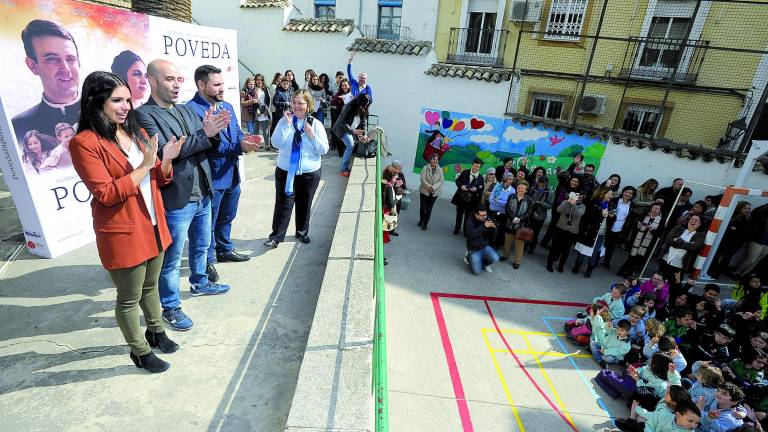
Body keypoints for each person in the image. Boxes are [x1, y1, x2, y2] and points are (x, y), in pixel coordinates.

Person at [69, 71, 184, 373]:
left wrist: (166, 159)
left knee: (151, 286)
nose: (126, 107)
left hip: (154, 222)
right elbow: (106, 193)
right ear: (97, 102)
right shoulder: (84, 142)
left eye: (129, 100)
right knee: (129, 297)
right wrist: (146, 165)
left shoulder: (133, 131)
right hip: (123, 229)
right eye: (117, 100)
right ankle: (139, 351)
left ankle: (156, 331)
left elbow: (158, 175)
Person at [135, 59, 231, 331]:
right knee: (172, 258)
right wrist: (203, 134)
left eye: (179, 79)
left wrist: (211, 134)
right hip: (177, 197)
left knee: (201, 245)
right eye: (169, 79)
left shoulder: (187, 111)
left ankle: (200, 282)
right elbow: (166, 152)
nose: (177, 85)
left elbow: (201, 145)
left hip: (203, 192)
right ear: (152, 81)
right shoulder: (143, 115)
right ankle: (171, 306)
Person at [187, 65, 260, 284]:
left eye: (222, 84)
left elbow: (236, 132)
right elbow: (207, 145)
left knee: (228, 215)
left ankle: (224, 249)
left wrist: (244, 141)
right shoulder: (192, 110)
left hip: (232, 174)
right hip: (212, 177)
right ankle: (207, 261)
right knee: (207, 222)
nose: (221, 89)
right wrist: (241, 148)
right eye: (216, 85)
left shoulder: (227, 105)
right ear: (201, 85)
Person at [264, 89, 329, 248]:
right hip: (285, 171)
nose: (296, 106)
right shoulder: (284, 121)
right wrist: (286, 126)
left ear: (308, 105)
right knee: (283, 204)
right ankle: (276, 236)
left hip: (309, 173)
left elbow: (323, 150)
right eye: (294, 102)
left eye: (300, 103)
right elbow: (276, 143)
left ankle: (301, 232)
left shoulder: (316, 124)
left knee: (304, 204)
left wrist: (312, 135)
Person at [12, 20, 80, 143]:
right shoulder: (17, 129)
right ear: (32, 66)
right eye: (52, 59)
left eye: (70, 59)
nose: (65, 68)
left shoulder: (107, 114)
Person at [659, 215, 706, 300]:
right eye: (692, 219)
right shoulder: (679, 227)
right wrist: (686, 244)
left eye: (696, 221)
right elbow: (669, 239)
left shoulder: (700, 235)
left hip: (678, 265)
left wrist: (678, 240)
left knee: (675, 287)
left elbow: (695, 246)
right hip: (665, 259)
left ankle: (671, 304)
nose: (693, 221)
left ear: (700, 224)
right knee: (659, 282)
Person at [573, 187, 615, 278]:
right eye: (610, 194)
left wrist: (611, 217)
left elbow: (612, 220)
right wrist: (600, 213)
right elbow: (587, 217)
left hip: (601, 234)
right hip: (590, 232)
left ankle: (589, 270)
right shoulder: (593, 203)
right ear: (603, 193)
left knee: (595, 252)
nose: (611, 196)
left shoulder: (610, 205)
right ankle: (577, 266)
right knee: (583, 250)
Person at [618, 202, 663, 278]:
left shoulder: (661, 220)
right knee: (631, 257)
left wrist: (651, 229)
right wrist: (638, 224)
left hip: (648, 243)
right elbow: (636, 223)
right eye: (654, 208)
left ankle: (629, 273)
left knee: (638, 259)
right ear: (651, 208)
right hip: (637, 239)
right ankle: (622, 270)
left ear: (660, 211)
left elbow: (659, 234)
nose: (655, 210)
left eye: (657, 209)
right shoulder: (646, 215)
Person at [709, 201, 751, 278]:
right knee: (718, 256)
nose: (747, 210)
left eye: (748, 208)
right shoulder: (733, 216)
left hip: (737, 242)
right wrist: (730, 228)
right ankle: (711, 270)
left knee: (726, 258)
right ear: (740, 208)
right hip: (726, 240)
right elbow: (725, 226)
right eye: (745, 208)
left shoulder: (747, 218)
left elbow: (745, 230)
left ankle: (717, 272)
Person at [546, 191, 585, 273]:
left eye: (579, 196)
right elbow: (558, 209)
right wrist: (567, 201)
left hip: (571, 231)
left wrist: (573, 204)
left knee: (565, 250)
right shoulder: (565, 202)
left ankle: (561, 265)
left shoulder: (582, 206)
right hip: (560, 228)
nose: (577, 197)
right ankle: (549, 263)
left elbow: (577, 214)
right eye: (576, 195)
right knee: (554, 247)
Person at [541, 173, 582, 248]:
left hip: (568, 215)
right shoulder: (564, 187)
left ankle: (553, 246)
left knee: (559, 230)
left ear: (579, 183)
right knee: (553, 227)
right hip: (558, 211)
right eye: (572, 180)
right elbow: (559, 201)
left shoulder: (579, 192)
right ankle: (545, 243)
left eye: (576, 182)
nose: (573, 182)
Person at [333, 94, 370, 177]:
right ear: (359, 102)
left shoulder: (364, 107)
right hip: (343, 129)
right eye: (364, 104)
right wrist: (353, 131)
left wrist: (363, 134)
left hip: (353, 130)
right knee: (350, 146)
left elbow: (363, 122)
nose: (366, 105)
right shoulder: (348, 106)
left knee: (351, 146)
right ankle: (343, 169)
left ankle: (344, 167)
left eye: (367, 104)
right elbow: (342, 122)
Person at [501, 180, 534, 269]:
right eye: (519, 188)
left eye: (522, 188)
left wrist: (520, 219)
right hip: (510, 223)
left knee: (519, 245)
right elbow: (507, 208)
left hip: (521, 225)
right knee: (507, 242)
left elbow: (529, 212)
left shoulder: (529, 200)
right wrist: (513, 218)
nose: (520, 189)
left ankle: (517, 261)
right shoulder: (511, 196)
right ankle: (505, 255)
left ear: (526, 190)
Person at [603, 185, 636, 269]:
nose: (628, 194)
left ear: (632, 196)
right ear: (623, 192)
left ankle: (606, 261)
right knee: (604, 244)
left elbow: (630, 218)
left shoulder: (632, 205)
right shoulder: (615, 200)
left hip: (620, 228)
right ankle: (595, 258)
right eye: (626, 192)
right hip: (609, 224)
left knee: (611, 246)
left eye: (630, 193)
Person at [451, 158, 484, 235]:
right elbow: (457, 181)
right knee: (459, 214)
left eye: (478, 167)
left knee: (468, 216)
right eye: (475, 166)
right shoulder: (465, 172)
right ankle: (457, 229)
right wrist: (461, 186)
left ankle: (466, 231)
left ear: (480, 167)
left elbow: (481, 188)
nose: (475, 168)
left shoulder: (480, 177)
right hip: (461, 197)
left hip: (472, 200)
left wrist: (476, 189)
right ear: (472, 165)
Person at [735, 203, 768, 277]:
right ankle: (737, 272)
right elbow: (756, 212)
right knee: (751, 260)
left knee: (757, 261)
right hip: (758, 239)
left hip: (765, 241)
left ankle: (743, 275)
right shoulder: (761, 214)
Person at [464, 208, 499, 275]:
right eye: (482, 215)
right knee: (477, 272)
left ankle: (485, 264)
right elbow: (471, 235)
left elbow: (494, 234)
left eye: (485, 214)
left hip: (484, 246)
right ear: (476, 215)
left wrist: (493, 228)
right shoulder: (469, 222)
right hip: (473, 249)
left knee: (495, 258)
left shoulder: (486, 219)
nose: (485, 217)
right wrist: (484, 226)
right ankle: (468, 257)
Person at [418, 153, 443, 231]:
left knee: (429, 209)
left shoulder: (440, 169)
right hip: (424, 191)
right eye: (434, 159)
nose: (436, 161)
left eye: (437, 159)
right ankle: (421, 219)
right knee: (423, 208)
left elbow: (441, 181)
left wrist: (433, 188)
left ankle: (425, 223)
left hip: (434, 193)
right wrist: (429, 187)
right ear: (430, 160)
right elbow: (422, 179)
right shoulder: (425, 168)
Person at [528, 175, 553, 254]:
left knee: (536, 233)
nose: (541, 187)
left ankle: (532, 247)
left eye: (543, 185)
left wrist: (542, 203)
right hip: (530, 212)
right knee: (527, 229)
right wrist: (532, 202)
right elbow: (527, 198)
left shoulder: (549, 192)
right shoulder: (532, 189)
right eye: (539, 185)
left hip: (540, 216)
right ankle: (525, 243)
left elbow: (550, 205)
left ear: (546, 184)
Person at [330, 78, 352, 156]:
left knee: (348, 133)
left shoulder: (352, 93)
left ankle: (348, 149)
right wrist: (339, 98)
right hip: (340, 117)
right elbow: (332, 102)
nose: (344, 87)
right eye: (342, 85)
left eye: (346, 85)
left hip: (349, 117)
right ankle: (340, 151)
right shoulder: (339, 93)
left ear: (349, 86)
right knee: (340, 134)